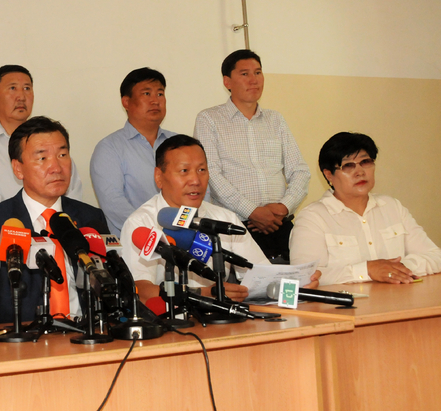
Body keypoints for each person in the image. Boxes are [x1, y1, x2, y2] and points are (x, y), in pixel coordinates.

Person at [121, 135, 320, 303]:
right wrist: (204, 294)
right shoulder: (140, 223)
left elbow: (261, 275)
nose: (196, 180)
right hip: (169, 324)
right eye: (184, 171)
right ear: (159, 177)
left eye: (202, 170)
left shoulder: (223, 219)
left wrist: (297, 289)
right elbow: (140, 290)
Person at [0, 116, 108, 325]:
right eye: (42, 158)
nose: (56, 167)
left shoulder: (91, 218)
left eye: (62, 155)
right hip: (23, 338)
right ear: (18, 168)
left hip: (87, 332)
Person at [194, 50, 310, 262]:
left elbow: (300, 171)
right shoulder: (209, 119)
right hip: (236, 228)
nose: (254, 79)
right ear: (227, 81)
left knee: (293, 281)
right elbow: (211, 174)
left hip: (280, 225)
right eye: (245, 74)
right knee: (243, 283)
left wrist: (284, 207)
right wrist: (252, 211)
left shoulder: (275, 120)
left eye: (258, 72)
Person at [290, 132, 441, 285]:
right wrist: (367, 270)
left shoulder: (392, 206)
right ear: (329, 175)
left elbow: (435, 256)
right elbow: (305, 276)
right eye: (348, 166)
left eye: (365, 162)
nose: (360, 172)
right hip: (346, 301)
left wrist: (396, 269)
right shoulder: (313, 217)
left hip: (398, 298)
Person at [0, 65, 82, 213]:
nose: (21, 97)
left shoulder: (50, 136)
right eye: (12, 88)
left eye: (27, 88)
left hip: (56, 222)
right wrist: (29, 221)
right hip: (5, 225)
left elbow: (72, 192)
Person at [90, 67, 176, 238]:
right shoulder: (109, 148)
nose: (155, 101)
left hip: (184, 240)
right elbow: (114, 204)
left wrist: (187, 229)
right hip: (135, 244)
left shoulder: (179, 144)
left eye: (160, 94)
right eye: (146, 94)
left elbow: (199, 189)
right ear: (126, 102)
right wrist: (160, 234)